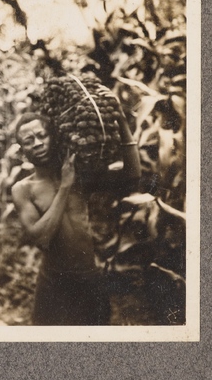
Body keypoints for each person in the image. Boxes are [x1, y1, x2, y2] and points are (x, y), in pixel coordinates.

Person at [11, 98, 141, 325]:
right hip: (53, 283)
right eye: (29, 141)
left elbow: (132, 177)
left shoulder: (80, 174)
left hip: (90, 278)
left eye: (42, 136)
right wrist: (65, 186)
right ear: (23, 152)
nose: (38, 143)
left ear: (54, 137)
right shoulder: (23, 189)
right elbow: (42, 238)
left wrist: (120, 121)